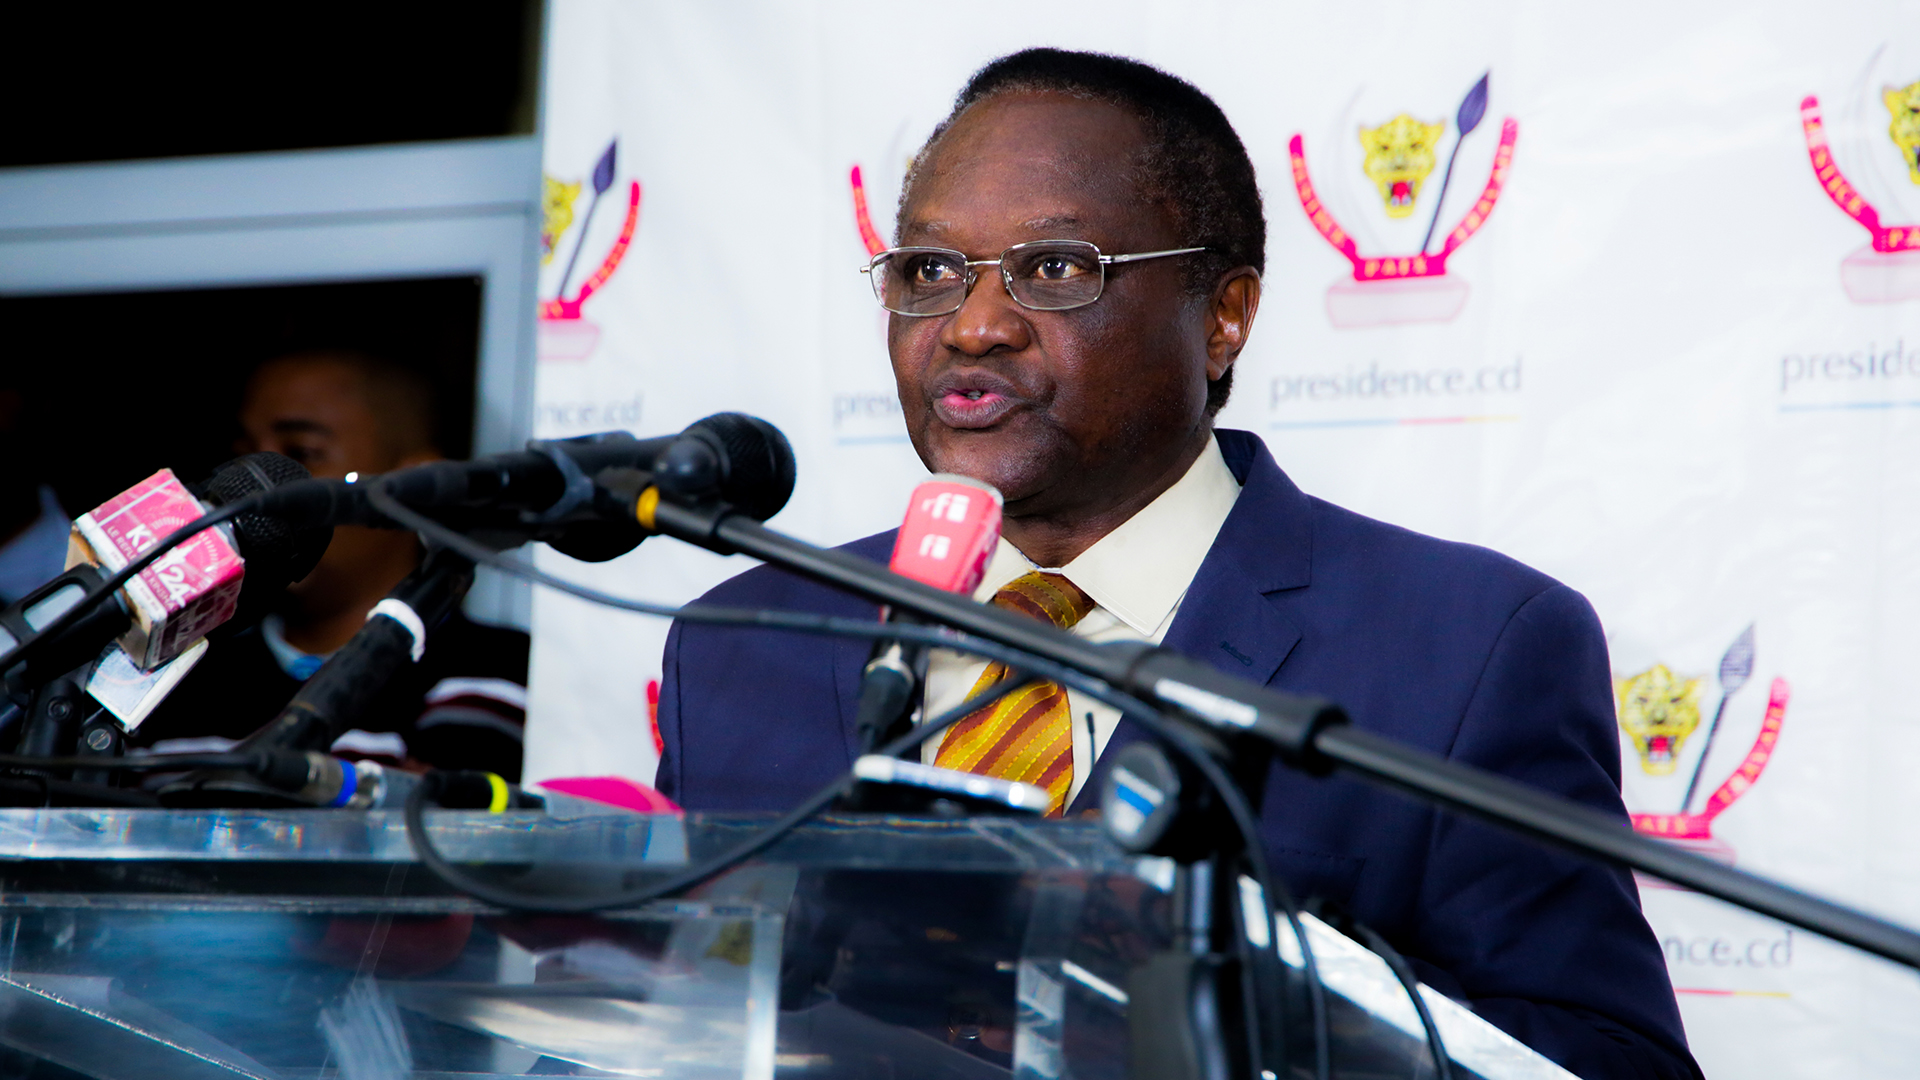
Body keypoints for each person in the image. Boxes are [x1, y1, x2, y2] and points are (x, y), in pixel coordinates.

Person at [656, 49, 1697, 1079]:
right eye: (930, 272)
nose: (973, 327)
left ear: (1225, 317)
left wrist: (1249, 1004)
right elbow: (660, 1013)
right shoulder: (742, 646)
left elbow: (1614, 1062)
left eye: (1054, 269)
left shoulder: (1468, 649)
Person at [130, 350, 531, 779]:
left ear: (416, 488)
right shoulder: (171, 679)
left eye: (301, 453)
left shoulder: (490, 670)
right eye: (241, 458)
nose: (256, 493)